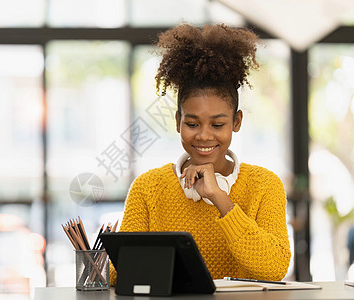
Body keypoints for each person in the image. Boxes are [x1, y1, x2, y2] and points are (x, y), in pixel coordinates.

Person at [109, 23, 291, 285]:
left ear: (236, 122)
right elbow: (118, 274)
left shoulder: (265, 185)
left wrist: (219, 198)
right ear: (177, 122)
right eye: (192, 124)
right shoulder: (148, 188)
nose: (204, 136)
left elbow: (274, 269)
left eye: (218, 124)